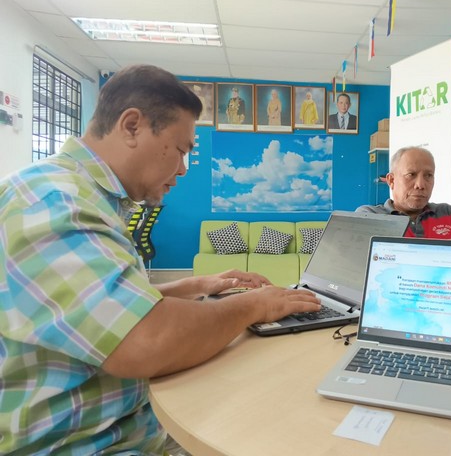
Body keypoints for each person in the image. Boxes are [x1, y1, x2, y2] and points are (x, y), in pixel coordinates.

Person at [0, 65, 320, 454]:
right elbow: (143, 341)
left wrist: (194, 286)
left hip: (131, 425)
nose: (182, 169)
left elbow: (99, 309)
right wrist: (255, 305)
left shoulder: (81, 195)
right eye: (182, 150)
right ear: (132, 126)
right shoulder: (53, 202)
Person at [356, 146, 451, 239]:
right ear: (391, 180)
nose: (420, 185)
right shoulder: (370, 215)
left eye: (428, 175)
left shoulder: (447, 212)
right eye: (411, 175)